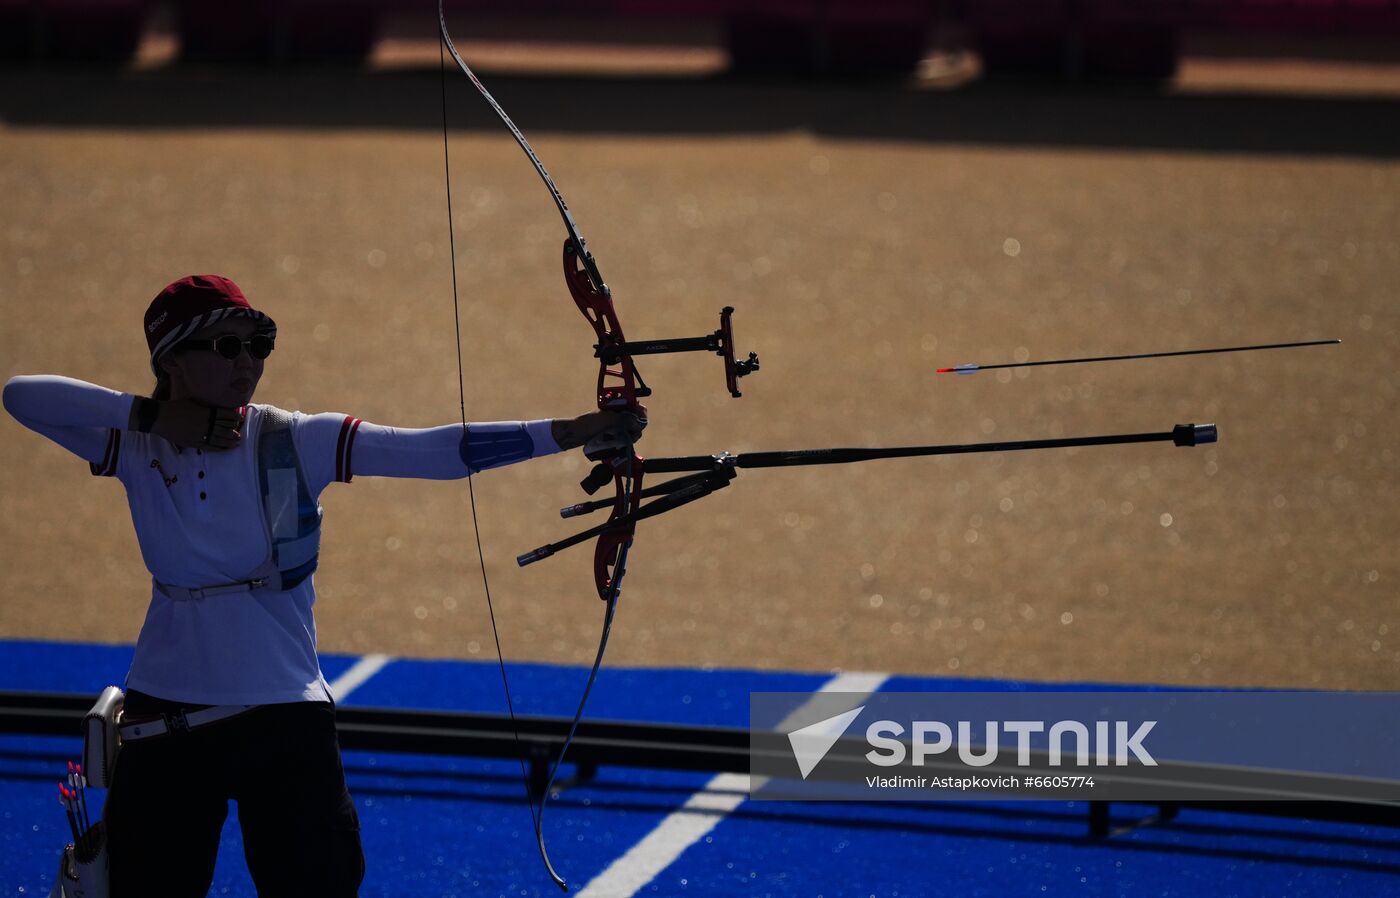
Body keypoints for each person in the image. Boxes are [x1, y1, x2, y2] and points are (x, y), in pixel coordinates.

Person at [3, 274, 643, 898]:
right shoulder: (136, 443)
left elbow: (432, 453)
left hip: (285, 717)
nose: (247, 363)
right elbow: (20, 395)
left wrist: (572, 432)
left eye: (257, 346)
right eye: (226, 346)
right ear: (172, 359)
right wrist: (151, 416)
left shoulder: (292, 439)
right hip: (165, 719)